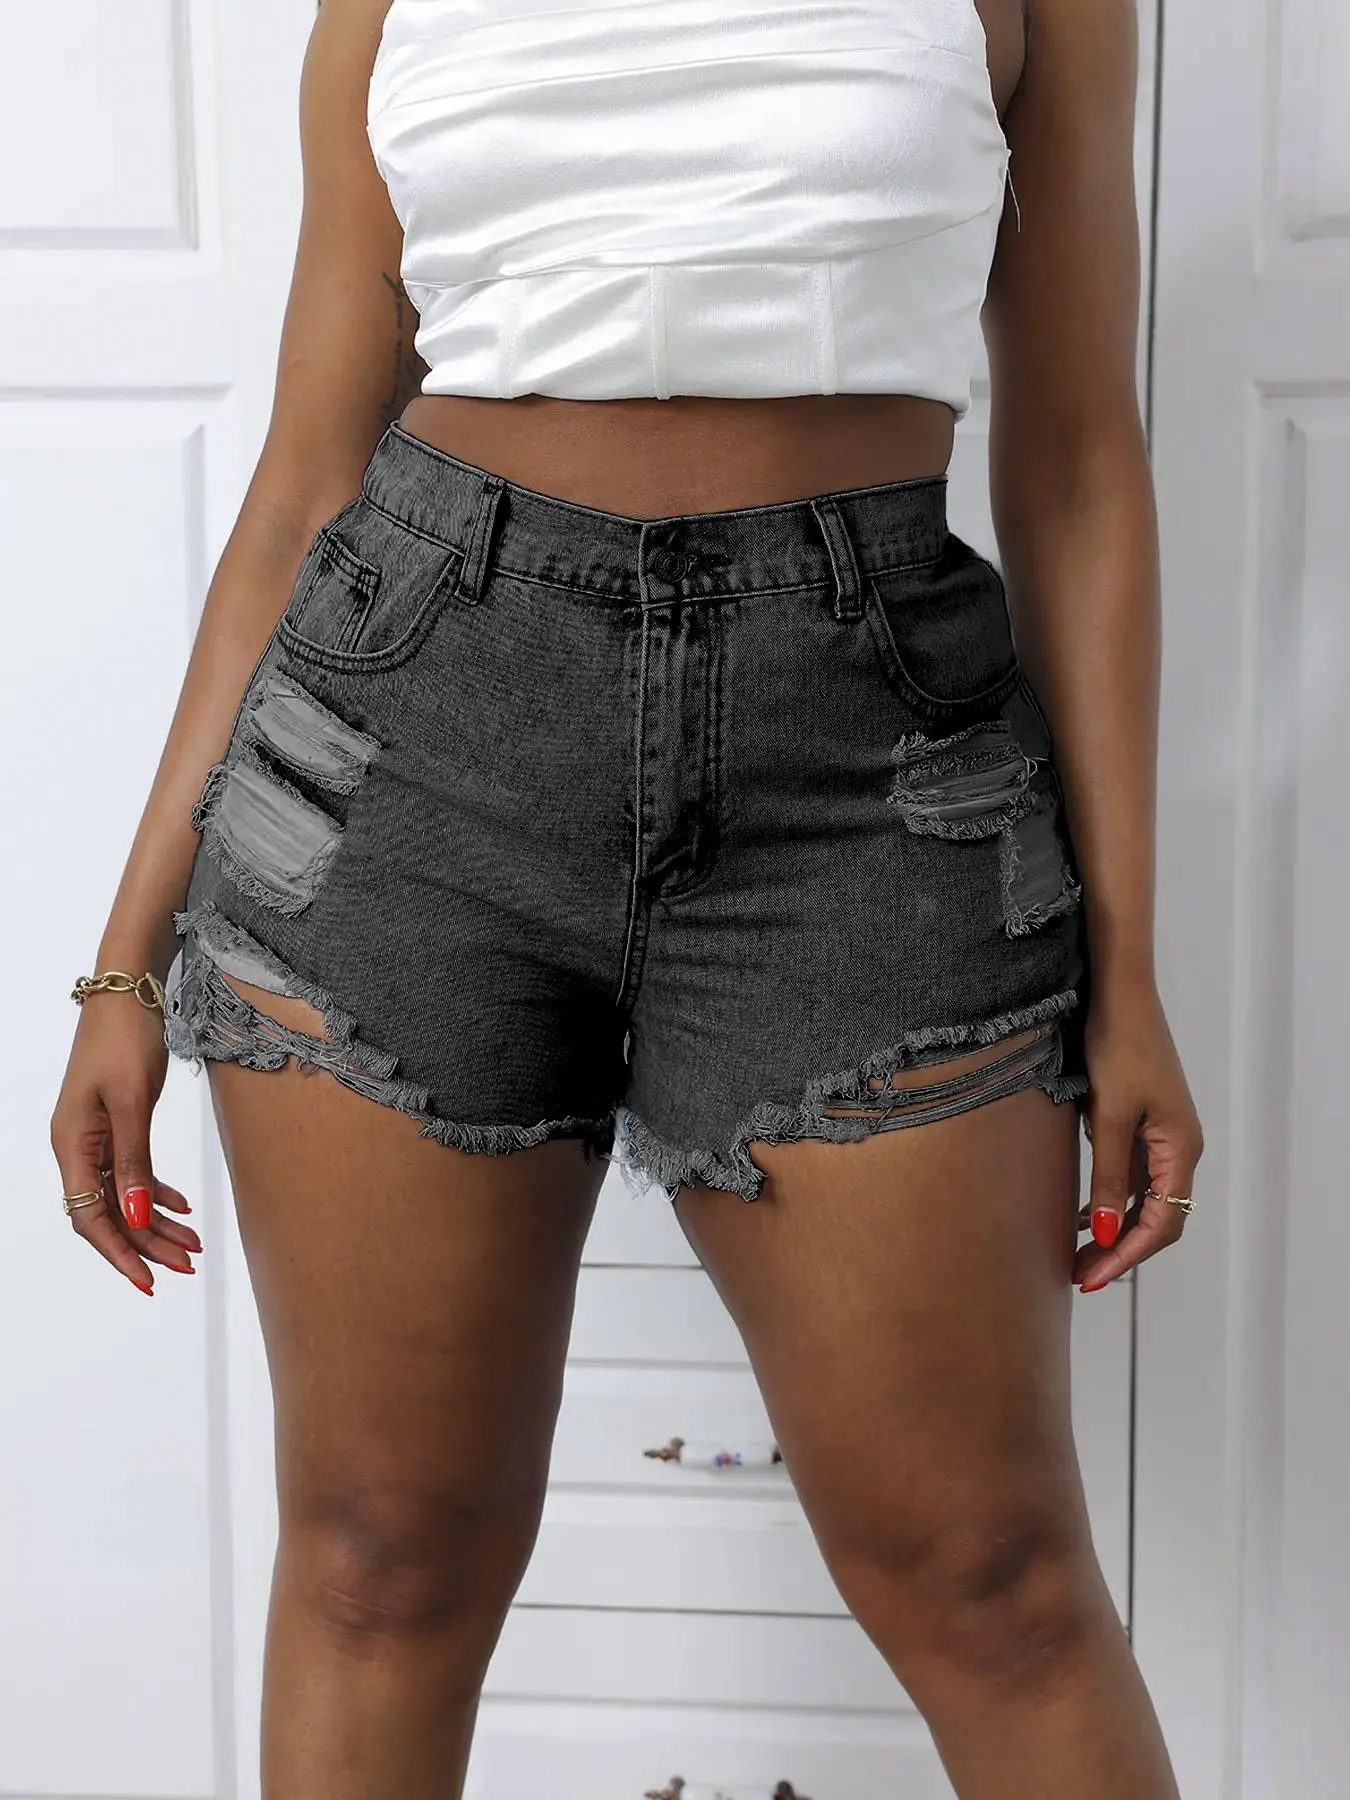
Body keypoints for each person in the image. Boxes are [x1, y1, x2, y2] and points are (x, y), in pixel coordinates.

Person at [50, 0, 1203, 1793]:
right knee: (377, 1567)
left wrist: (1125, 970)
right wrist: (126, 958)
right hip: (413, 740)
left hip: (870, 772)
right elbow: (306, 479)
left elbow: (1072, 467)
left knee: (994, 1584)